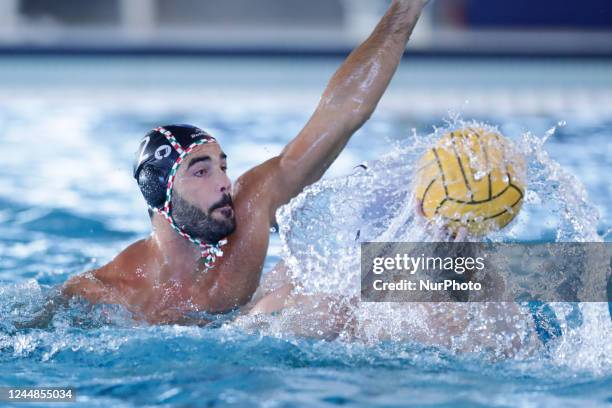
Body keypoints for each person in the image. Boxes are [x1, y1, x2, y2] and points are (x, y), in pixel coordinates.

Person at [61, 0, 432, 324]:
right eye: (202, 171)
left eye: (222, 166)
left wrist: (406, 8)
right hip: (222, 362)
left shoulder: (249, 207)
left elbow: (340, 116)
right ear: (162, 196)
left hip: (251, 332)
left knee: (334, 277)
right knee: (309, 306)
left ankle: (486, 279)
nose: (224, 181)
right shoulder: (104, 294)